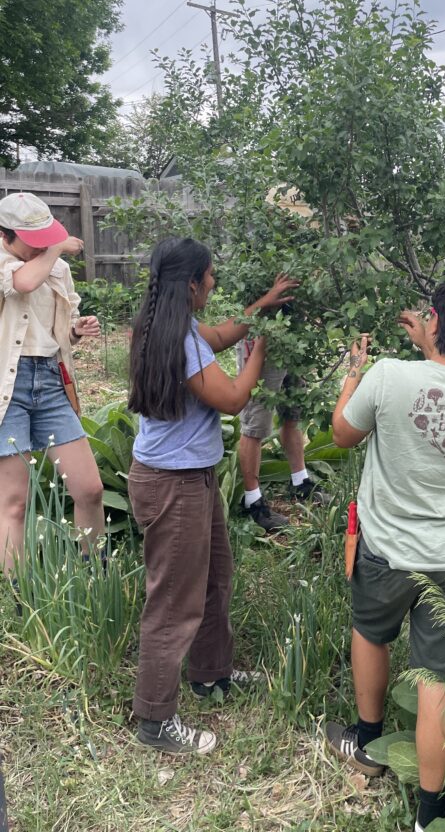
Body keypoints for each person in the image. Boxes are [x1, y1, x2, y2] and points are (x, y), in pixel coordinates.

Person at [324, 279, 445, 832]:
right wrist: (430, 342)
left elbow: (341, 435)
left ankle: (368, 742)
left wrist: (355, 370)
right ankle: (431, 814)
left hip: (388, 551)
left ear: (435, 321)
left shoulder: (387, 376)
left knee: (372, 633)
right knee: (437, 676)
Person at [127, 237, 288, 754]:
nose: (214, 283)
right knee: (173, 604)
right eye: (211, 276)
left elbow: (218, 334)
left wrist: (260, 309)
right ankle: (155, 721)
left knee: (216, 576)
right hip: (172, 486)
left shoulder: (167, 326)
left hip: (189, 478)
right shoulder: (180, 342)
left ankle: (211, 673)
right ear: (192, 283)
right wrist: (262, 344)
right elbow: (234, 397)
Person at [0, 192, 103, 573]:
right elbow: (22, 283)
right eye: (34, 238)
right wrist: (58, 245)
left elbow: (57, 330)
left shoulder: (55, 268)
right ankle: (19, 594)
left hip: (50, 380)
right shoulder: (11, 262)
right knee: (14, 500)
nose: (43, 244)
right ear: (5, 235)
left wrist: (76, 330)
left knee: (89, 489)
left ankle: (95, 571)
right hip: (7, 388)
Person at [237, 274, 328, 532]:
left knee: (293, 411)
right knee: (256, 423)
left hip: (294, 334)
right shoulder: (257, 242)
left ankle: (300, 482)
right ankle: (252, 500)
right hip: (264, 331)